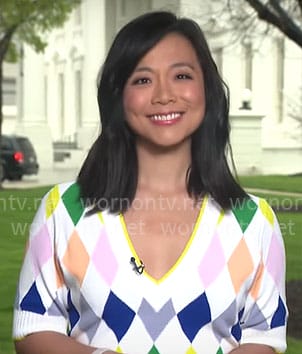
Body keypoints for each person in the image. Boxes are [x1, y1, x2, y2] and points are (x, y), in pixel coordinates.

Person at [13, 11, 288, 354]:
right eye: (143, 80)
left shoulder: (254, 221)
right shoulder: (63, 211)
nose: (164, 95)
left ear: (207, 89)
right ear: (119, 96)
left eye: (182, 75)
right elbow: (33, 330)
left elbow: (264, 337)